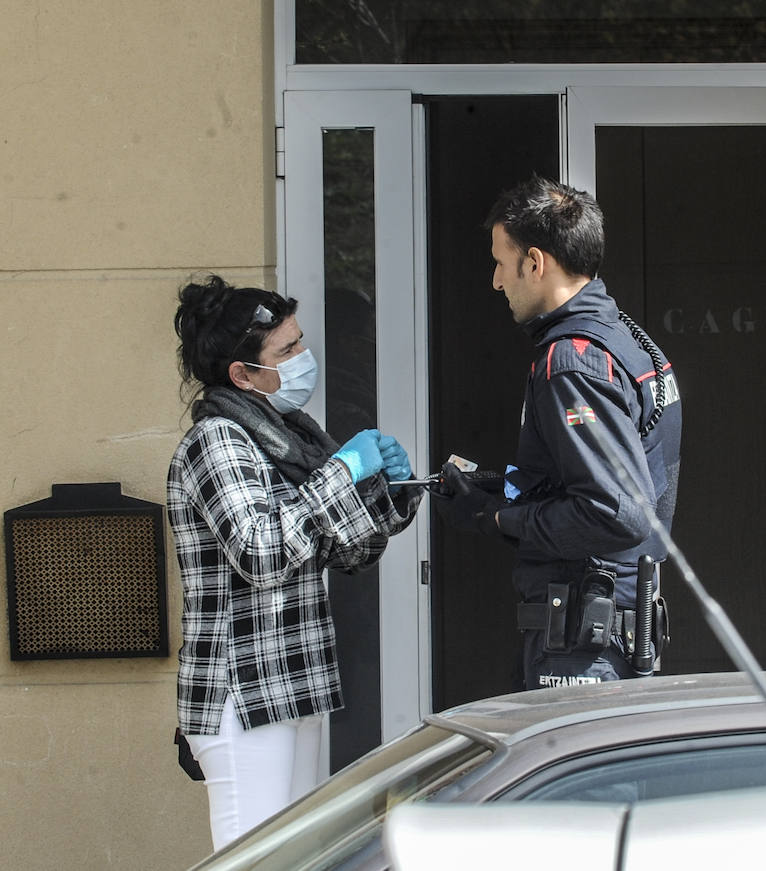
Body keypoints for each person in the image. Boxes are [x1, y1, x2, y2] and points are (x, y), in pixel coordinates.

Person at [167, 275, 422, 850]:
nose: (303, 359)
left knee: (298, 859)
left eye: (299, 342)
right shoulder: (218, 441)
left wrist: (392, 491)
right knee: (254, 860)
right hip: (242, 695)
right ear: (243, 374)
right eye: (286, 351)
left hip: (293, 682)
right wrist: (343, 475)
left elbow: (344, 550)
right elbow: (260, 551)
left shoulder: (285, 438)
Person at [434, 176, 683, 690]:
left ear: (535, 263)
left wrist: (498, 517)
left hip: (586, 638)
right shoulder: (624, 338)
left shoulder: (571, 362)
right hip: (611, 628)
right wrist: (496, 485)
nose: (496, 281)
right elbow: (592, 480)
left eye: (502, 263)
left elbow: (617, 513)